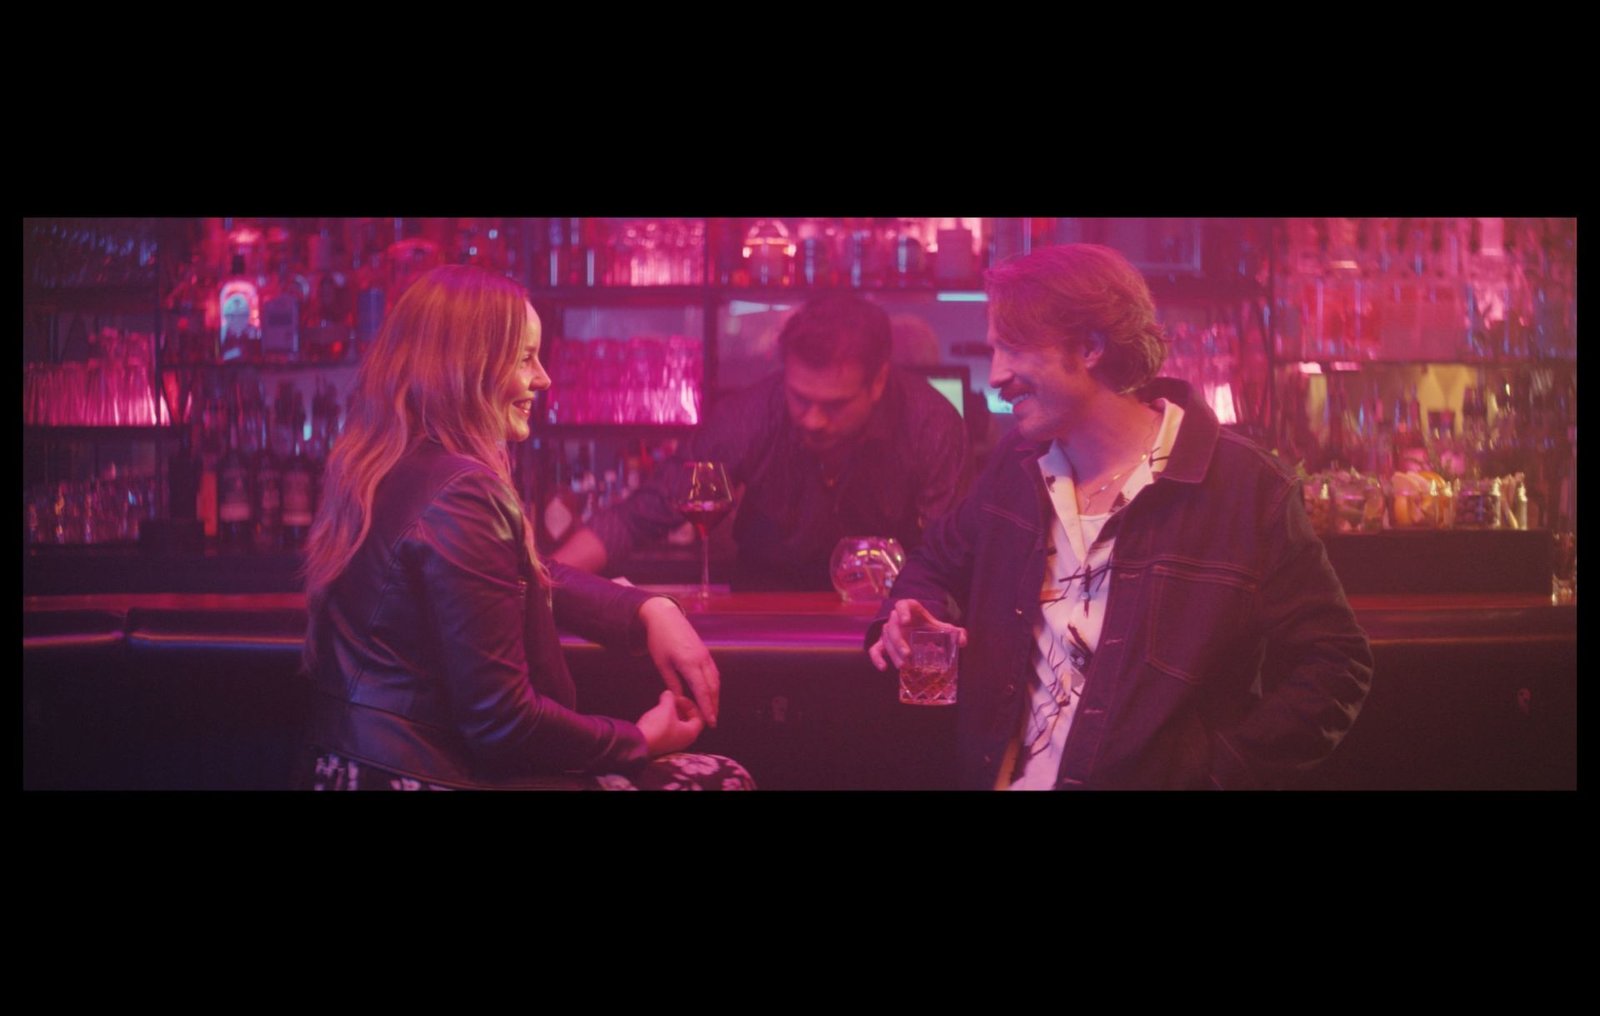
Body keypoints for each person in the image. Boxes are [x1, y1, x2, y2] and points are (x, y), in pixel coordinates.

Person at [867, 244, 1373, 790]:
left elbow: (1336, 664)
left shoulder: (1245, 487)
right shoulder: (1016, 466)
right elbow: (932, 563)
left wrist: (1217, 775)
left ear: (1090, 348)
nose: (995, 376)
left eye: (1012, 349)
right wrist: (909, 613)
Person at [301, 265, 751, 790]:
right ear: (466, 368)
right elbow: (504, 723)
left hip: (344, 769)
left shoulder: (379, 468)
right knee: (720, 778)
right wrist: (639, 740)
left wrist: (647, 610)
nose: (544, 378)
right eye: (524, 358)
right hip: (425, 778)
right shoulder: (464, 490)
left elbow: (516, 574)